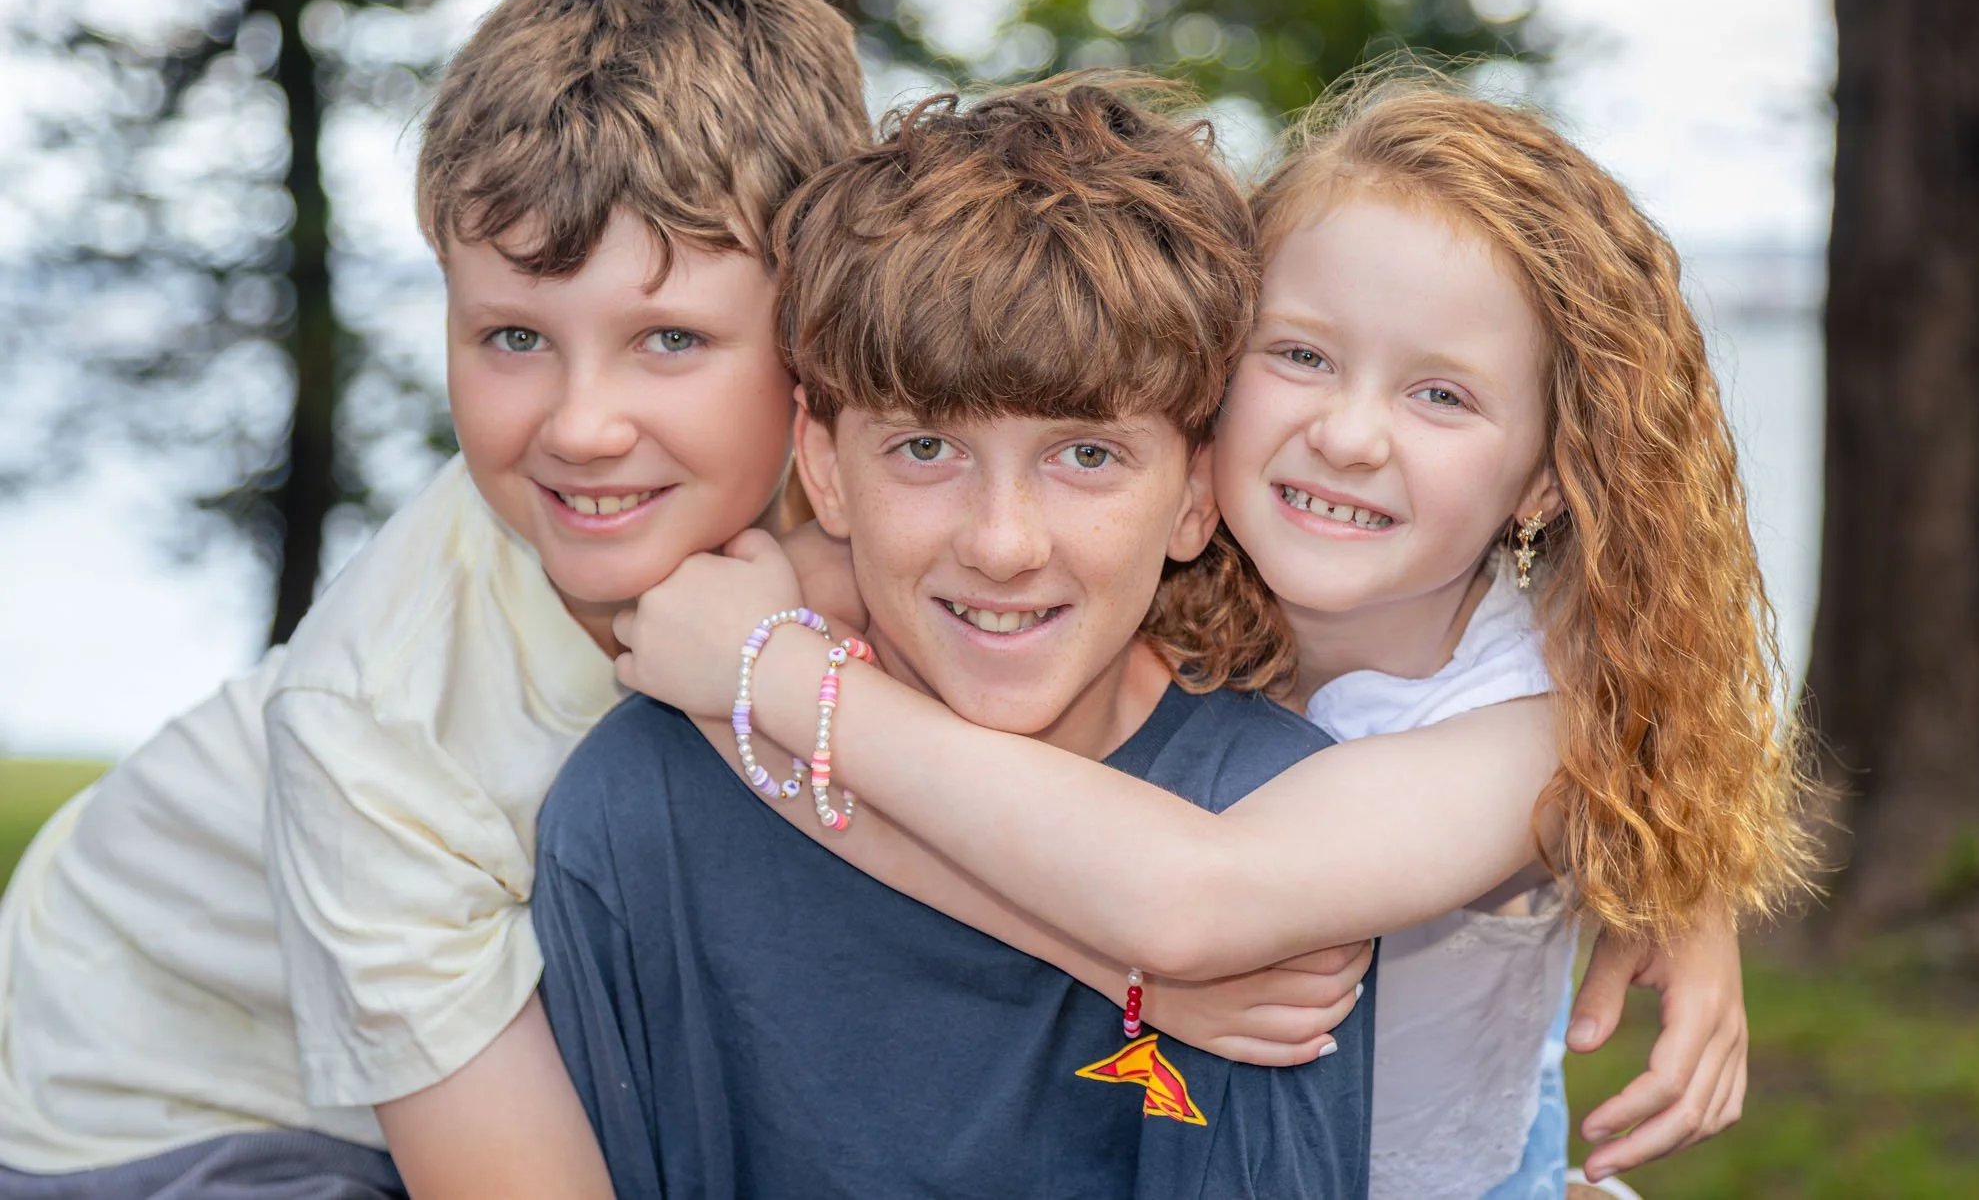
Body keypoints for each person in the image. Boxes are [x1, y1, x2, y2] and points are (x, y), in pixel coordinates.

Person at [614, 75, 1819, 1197]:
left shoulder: (1538, 728)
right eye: (1299, 355)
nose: (1347, 435)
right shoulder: (1147, 570)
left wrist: (771, 676)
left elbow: (1190, 903)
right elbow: (767, 666)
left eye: (1439, 393)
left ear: (1547, 479)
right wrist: (1116, 972)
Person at [0, 0, 869, 1199]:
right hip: (151, 1107)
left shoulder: (902, 514)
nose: (580, 424)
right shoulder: (377, 721)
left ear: (814, 329)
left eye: (668, 337)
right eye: (513, 335)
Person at [530, 76, 1376, 1198]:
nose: (1002, 544)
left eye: (1086, 455)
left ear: (1195, 493)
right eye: (925, 449)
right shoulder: (641, 808)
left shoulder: (1271, 820)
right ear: (824, 467)